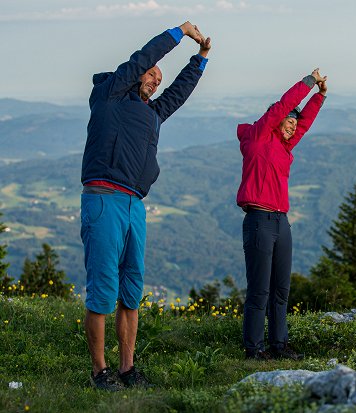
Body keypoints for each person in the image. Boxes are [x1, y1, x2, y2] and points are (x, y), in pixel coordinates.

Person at [80, 22, 211, 390]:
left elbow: (179, 93)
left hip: (134, 206)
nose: (155, 79)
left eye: (158, 78)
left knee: (131, 290)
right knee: (102, 290)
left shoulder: (153, 112)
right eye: (152, 73)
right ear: (136, 72)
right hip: (103, 200)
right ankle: (99, 372)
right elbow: (146, 54)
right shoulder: (110, 94)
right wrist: (180, 31)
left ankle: (126, 369)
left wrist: (200, 59)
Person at [237, 68, 328, 360]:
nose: (292, 126)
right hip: (259, 221)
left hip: (281, 222)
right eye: (288, 121)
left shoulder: (285, 147)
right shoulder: (259, 137)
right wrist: (308, 83)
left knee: (280, 289)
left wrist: (320, 96)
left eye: (294, 123)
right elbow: (281, 107)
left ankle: (279, 344)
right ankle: (254, 348)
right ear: (276, 122)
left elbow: (304, 125)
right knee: (259, 290)